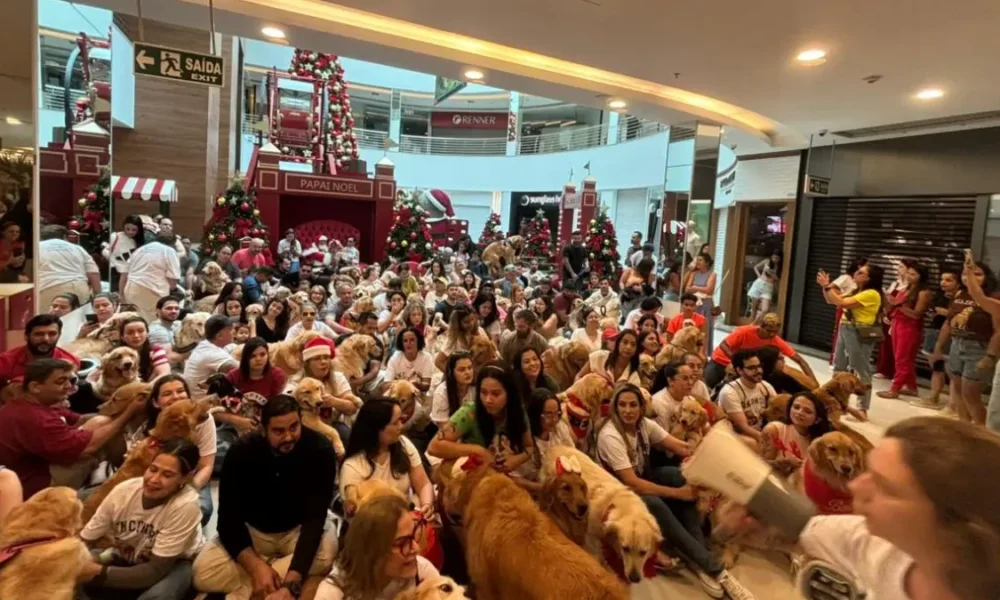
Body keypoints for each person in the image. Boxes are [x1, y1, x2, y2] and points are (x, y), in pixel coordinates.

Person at [723, 417, 1000, 600]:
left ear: (954, 524)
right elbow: (807, 532)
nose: (856, 486)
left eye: (885, 487)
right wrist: (762, 522)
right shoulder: (883, 545)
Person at [597, 383, 754, 598]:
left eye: (633, 405)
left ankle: (698, 560)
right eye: (622, 405)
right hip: (621, 495)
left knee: (683, 476)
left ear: (641, 408)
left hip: (644, 478)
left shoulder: (644, 424)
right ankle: (715, 570)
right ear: (615, 408)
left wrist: (718, 459)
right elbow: (632, 483)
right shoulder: (610, 436)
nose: (628, 410)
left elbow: (681, 447)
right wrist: (678, 493)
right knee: (656, 503)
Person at [192, 396, 338, 600]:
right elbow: (227, 519)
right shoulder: (241, 451)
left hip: (297, 531)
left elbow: (315, 519)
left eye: (294, 427)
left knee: (327, 554)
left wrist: (291, 585)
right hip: (254, 532)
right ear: (263, 429)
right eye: (279, 431)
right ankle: (268, 580)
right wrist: (255, 567)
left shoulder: (320, 449)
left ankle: (259, 588)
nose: (288, 437)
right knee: (202, 572)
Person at [77, 440, 205, 600]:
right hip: (127, 555)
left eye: (167, 475)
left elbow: (154, 571)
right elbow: (84, 540)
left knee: (157, 596)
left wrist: (97, 573)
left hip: (173, 563)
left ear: (185, 478)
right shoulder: (123, 491)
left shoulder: (186, 505)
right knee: (71, 574)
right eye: (153, 469)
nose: (154, 480)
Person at [0, 359, 142, 497]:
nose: (69, 386)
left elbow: (82, 419)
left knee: (102, 422)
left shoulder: (35, 404)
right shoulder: (35, 418)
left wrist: (113, 412)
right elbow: (88, 449)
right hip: (33, 487)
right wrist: (127, 415)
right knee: (104, 437)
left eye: (70, 381)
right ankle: (131, 480)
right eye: (60, 382)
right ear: (35, 387)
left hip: (37, 469)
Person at [314, 495, 439, 600]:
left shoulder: (422, 572)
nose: (416, 549)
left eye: (413, 537)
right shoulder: (333, 594)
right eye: (402, 543)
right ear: (372, 550)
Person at [428, 363, 533, 476]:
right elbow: (434, 447)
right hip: (473, 478)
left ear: (509, 394)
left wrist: (515, 460)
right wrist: (478, 450)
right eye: (483, 392)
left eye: (495, 394)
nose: (488, 400)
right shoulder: (469, 412)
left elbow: (529, 447)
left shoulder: (517, 412)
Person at [339, 399, 434, 518]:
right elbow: (359, 518)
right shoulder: (352, 467)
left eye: (401, 420)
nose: (401, 426)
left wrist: (426, 505)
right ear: (377, 429)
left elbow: (423, 483)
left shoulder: (403, 444)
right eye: (395, 423)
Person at [818, 262, 885, 419]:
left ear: (869, 278)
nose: (855, 274)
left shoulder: (872, 294)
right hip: (846, 328)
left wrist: (828, 286)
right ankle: (835, 402)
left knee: (860, 368)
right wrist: (825, 287)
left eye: (860, 273)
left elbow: (842, 303)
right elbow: (832, 300)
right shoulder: (856, 290)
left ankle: (863, 408)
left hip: (859, 331)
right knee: (839, 365)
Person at [940, 257, 1000, 428]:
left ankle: (980, 431)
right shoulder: (960, 294)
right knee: (957, 389)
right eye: (966, 274)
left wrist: (990, 355)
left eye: (977, 274)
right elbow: (949, 321)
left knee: (971, 394)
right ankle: (964, 428)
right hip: (957, 343)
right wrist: (939, 346)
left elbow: (998, 330)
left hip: (978, 347)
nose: (970, 278)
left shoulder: (993, 297)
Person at [705, 314, 815, 389]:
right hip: (722, 361)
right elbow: (723, 345)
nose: (771, 334)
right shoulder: (745, 331)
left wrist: (814, 383)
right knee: (710, 383)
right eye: (769, 331)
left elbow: (799, 360)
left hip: (748, 369)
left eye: (775, 332)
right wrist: (736, 360)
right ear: (761, 327)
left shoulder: (775, 340)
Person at [284, 337, 360, 445]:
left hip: (333, 423)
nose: (323, 362)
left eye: (326, 357)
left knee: (348, 436)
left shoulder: (337, 377)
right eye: (317, 358)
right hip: (305, 427)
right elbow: (286, 407)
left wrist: (333, 402)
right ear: (307, 363)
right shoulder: (296, 382)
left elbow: (352, 408)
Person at [878, 260, 933, 399]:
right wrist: (890, 302)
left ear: (921, 276)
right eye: (908, 273)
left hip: (910, 327)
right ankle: (911, 387)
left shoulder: (923, 292)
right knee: (900, 357)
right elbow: (893, 306)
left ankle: (894, 389)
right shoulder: (906, 288)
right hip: (897, 322)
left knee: (903, 359)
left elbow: (917, 314)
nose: (909, 276)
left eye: (913, 274)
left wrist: (899, 305)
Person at [912, 267, 961, 410]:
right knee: (936, 367)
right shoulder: (939, 296)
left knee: (952, 371)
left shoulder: (962, 298)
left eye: (948, 280)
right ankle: (933, 396)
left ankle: (953, 405)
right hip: (934, 331)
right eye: (942, 279)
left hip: (951, 335)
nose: (943, 283)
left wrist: (947, 313)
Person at [759, 391, 832, 476]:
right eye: (796, 407)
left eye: (807, 411)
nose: (799, 412)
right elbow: (760, 465)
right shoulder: (774, 429)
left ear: (817, 420)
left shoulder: (818, 443)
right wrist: (782, 464)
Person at [224, 337, 288, 432]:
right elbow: (216, 410)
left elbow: (276, 408)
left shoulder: (278, 376)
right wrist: (238, 421)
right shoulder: (233, 376)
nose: (258, 359)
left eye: (262, 354)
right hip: (235, 424)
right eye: (253, 356)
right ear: (245, 358)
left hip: (265, 425)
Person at [717, 350, 776, 447]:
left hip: (762, 432)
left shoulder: (766, 386)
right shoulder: (730, 392)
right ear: (739, 370)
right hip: (737, 436)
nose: (758, 371)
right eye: (752, 368)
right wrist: (768, 441)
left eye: (759, 366)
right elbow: (743, 428)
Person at [0, 314, 80, 385]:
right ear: (26, 336)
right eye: (39, 334)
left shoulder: (70, 361)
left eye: (52, 334)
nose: (45, 339)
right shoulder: (5, 362)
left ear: (59, 335)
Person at [37, 224, 101, 312]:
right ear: (64, 236)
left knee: (48, 322)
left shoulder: (38, 247)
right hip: (79, 287)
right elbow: (93, 273)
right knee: (77, 322)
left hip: (48, 286)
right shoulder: (77, 248)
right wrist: (99, 296)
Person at [121, 232, 182, 323]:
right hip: (151, 290)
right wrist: (173, 292)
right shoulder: (169, 250)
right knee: (151, 323)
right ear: (173, 243)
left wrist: (121, 294)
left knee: (135, 321)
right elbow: (172, 278)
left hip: (131, 288)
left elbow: (124, 273)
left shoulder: (140, 249)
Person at [649, 362, 713, 440]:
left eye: (691, 377)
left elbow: (701, 426)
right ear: (670, 381)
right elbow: (661, 444)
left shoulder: (689, 399)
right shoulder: (659, 402)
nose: (690, 382)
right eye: (685, 378)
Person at [523, 388, 575, 479]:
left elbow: (572, 454)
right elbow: (517, 479)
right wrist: (544, 488)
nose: (554, 419)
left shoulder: (560, 427)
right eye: (548, 414)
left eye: (556, 414)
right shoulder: (526, 439)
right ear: (535, 414)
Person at [182, 315, 239, 391]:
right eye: (231, 330)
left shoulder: (206, 345)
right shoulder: (212, 353)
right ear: (219, 336)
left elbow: (235, 347)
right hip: (203, 400)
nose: (234, 332)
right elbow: (243, 372)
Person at [114, 316, 171, 381]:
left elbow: (164, 373)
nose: (136, 336)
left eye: (140, 331)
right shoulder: (114, 354)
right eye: (130, 332)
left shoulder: (155, 350)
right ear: (122, 337)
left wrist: (145, 389)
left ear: (147, 333)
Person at [577, 329, 642, 386]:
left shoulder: (634, 379)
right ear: (618, 343)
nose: (628, 347)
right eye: (625, 342)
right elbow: (579, 377)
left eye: (633, 344)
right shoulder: (599, 356)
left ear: (636, 349)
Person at [430, 352, 475, 429]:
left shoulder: (476, 388)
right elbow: (445, 429)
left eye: (470, 368)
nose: (467, 372)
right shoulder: (442, 392)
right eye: (461, 370)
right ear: (451, 373)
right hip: (443, 433)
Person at [384, 327, 434, 395]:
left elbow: (426, 385)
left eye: (412, 340)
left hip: (419, 396)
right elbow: (386, 385)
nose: (408, 343)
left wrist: (416, 384)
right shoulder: (394, 359)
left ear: (418, 341)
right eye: (405, 341)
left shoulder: (426, 357)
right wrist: (405, 384)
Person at [683, 252, 717, 350]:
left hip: (706, 303)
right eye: (697, 260)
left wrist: (695, 287)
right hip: (694, 303)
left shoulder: (712, 274)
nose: (698, 262)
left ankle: (705, 350)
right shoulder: (693, 274)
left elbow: (709, 290)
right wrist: (700, 288)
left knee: (706, 327)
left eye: (700, 260)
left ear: (706, 263)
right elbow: (687, 288)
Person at [433, 305, 483, 371]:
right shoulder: (453, 340)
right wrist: (453, 376)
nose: (471, 324)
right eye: (466, 322)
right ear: (458, 323)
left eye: (472, 319)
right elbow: (438, 362)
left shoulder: (480, 331)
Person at [106, 215, 147, 290]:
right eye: (127, 229)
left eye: (134, 230)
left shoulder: (138, 242)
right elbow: (107, 251)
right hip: (115, 272)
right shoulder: (115, 236)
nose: (130, 232)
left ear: (138, 230)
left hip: (131, 275)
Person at [747, 251, 781, 324]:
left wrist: (773, 276)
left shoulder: (779, 267)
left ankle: (754, 324)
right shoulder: (767, 261)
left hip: (768, 287)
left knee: (765, 309)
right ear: (771, 257)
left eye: (777, 258)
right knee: (754, 308)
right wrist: (759, 275)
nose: (775, 259)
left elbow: (777, 279)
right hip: (759, 284)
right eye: (774, 257)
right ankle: (751, 325)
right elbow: (755, 267)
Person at [148, 296, 183, 361]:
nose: (174, 311)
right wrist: (192, 353)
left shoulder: (176, 324)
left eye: (177, 308)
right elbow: (168, 357)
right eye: (169, 308)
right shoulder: (157, 330)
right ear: (158, 311)